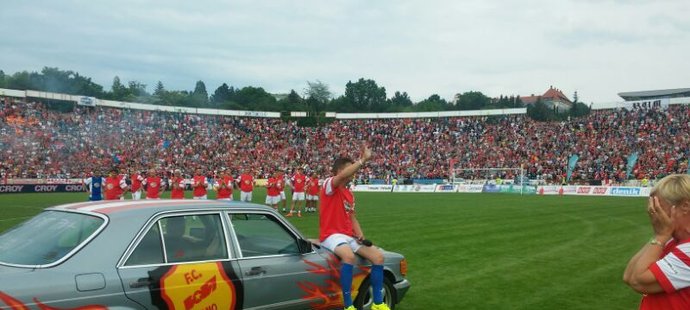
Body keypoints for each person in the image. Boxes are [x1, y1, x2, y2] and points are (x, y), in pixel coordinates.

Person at [319, 145, 389, 310]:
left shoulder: (349, 194)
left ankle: (378, 303)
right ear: (339, 171)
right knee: (348, 257)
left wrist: (361, 236)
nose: (353, 172)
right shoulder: (329, 185)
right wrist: (362, 160)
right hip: (331, 235)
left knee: (378, 257)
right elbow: (343, 175)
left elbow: (352, 217)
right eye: (349, 168)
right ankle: (348, 305)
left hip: (348, 236)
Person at [624, 174, 690, 309]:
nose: (653, 212)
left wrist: (660, 236)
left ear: (685, 206)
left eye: (659, 206)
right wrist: (660, 236)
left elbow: (637, 281)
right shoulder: (671, 239)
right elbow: (628, 276)